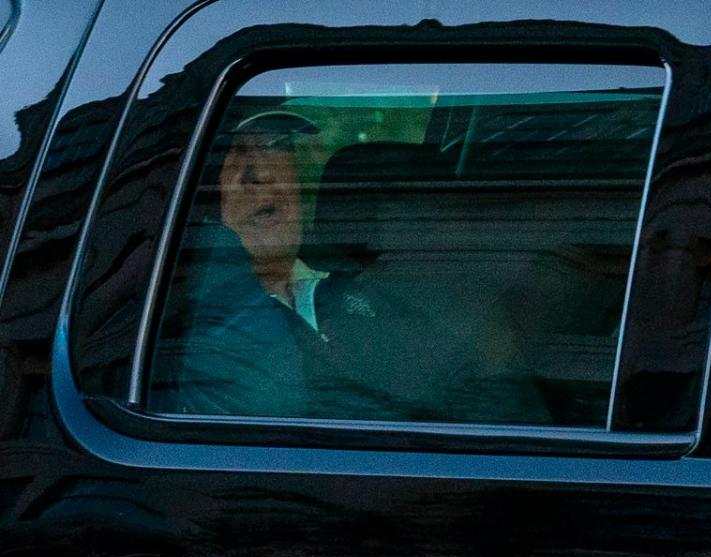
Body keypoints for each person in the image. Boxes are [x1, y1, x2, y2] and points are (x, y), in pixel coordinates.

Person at [150, 109, 550, 424]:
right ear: (196, 192)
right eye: (228, 152)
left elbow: (484, 398)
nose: (260, 173)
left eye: (275, 146)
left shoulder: (372, 289)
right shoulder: (184, 320)